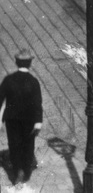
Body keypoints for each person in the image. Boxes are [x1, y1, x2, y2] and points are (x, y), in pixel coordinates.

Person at [0, 51, 41, 184]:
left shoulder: (8, 80)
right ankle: (25, 172)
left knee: (14, 145)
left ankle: (17, 170)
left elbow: (0, 99)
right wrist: (38, 122)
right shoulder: (33, 81)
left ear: (16, 62)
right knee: (28, 145)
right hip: (29, 119)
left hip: (12, 119)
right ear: (30, 64)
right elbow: (37, 104)